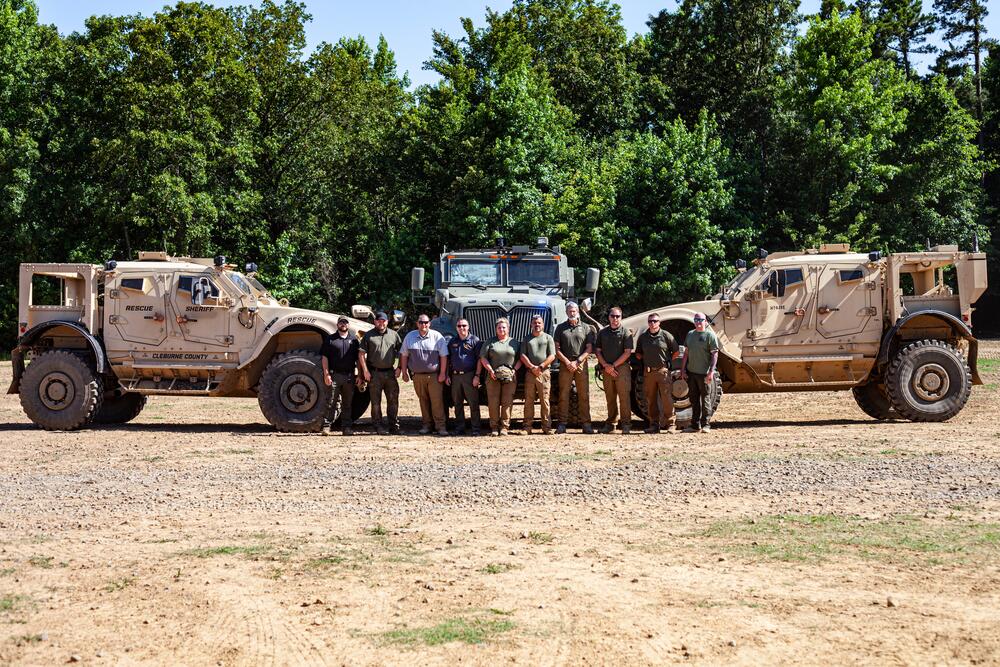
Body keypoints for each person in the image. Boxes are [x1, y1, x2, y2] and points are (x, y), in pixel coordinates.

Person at [400, 315, 449, 436]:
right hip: (417, 376)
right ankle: (427, 425)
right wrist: (404, 371)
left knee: (437, 402)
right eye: (421, 322)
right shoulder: (410, 336)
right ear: (417, 324)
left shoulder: (437, 337)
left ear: (429, 324)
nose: (424, 325)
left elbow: (444, 356)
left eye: (426, 322)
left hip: (434, 376)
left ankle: (440, 427)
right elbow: (404, 355)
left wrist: (443, 373)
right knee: (423, 401)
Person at [358, 311, 403, 435]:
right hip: (374, 374)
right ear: (375, 322)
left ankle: (393, 425)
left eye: (383, 321)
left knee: (393, 401)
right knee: (376, 402)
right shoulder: (368, 336)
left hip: (390, 373)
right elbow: (361, 354)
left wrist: (399, 368)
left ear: (387, 322)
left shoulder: (394, 335)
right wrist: (365, 371)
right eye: (378, 321)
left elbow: (403, 352)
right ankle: (378, 426)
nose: (381, 323)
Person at [554, 302, 595, 434]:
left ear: (578, 311)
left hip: (580, 363)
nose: (572, 313)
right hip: (565, 364)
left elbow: (589, 348)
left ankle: (586, 424)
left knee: (584, 395)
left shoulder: (586, 327)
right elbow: (556, 348)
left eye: (574, 311)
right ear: (566, 312)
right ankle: (562, 424)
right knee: (563, 394)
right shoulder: (560, 328)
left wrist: (577, 361)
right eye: (570, 311)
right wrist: (567, 362)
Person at [635, 312, 678, 434]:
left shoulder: (666, 335)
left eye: (655, 321)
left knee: (666, 399)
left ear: (659, 322)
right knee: (650, 399)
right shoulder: (643, 337)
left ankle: (671, 424)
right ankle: (654, 425)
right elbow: (638, 353)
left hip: (662, 372)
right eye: (650, 321)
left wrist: (667, 362)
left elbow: (675, 351)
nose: (652, 323)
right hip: (648, 373)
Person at [480, 317, 522, 436]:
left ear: (508, 329)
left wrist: (514, 370)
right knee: (493, 402)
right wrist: (490, 370)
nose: (501, 329)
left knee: (507, 402)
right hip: (492, 376)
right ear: (496, 329)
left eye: (504, 327)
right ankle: (494, 427)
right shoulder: (490, 342)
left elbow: (520, 359)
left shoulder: (514, 342)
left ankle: (504, 427)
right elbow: (483, 358)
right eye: (499, 327)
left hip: (510, 377)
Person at [595, 306, 634, 434]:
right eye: (612, 316)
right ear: (609, 317)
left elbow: (627, 352)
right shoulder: (602, 333)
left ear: (621, 317)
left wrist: (613, 366)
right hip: (606, 369)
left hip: (621, 369)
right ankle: (611, 423)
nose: (615, 319)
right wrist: (606, 365)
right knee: (610, 397)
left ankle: (626, 424)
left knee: (624, 398)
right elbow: (598, 351)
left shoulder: (626, 333)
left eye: (617, 316)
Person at [320, 316, 361, 436]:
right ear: (337, 325)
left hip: (349, 376)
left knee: (347, 404)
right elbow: (324, 357)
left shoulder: (354, 340)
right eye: (341, 322)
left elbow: (358, 359)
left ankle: (346, 427)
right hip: (335, 375)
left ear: (348, 325)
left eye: (345, 322)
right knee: (331, 402)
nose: (343, 324)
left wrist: (359, 375)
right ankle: (326, 427)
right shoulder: (330, 339)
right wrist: (326, 374)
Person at [681, 312, 720, 433]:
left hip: (704, 373)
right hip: (692, 373)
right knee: (694, 399)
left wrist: (711, 372)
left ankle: (706, 424)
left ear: (705, 321)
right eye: (696, 320)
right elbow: (686, 353)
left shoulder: (710, 335)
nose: (698, 322)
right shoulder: (690, 334)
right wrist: (682, 369)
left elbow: (715, 355)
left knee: (706, 399)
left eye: (700, 320)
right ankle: (694, 425)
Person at [520, 314, 556, 435]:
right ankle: (527, 427)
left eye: (539, 323)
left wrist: (541, 366)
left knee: (544, 400)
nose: (537, 325)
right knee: (528, 400)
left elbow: (552, 355)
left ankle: (546, 427)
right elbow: (522, 355)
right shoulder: (527, 338)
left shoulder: (548, 338)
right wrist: (531, 366)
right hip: (530, 373)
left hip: (544, 372)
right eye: (535, 323)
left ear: (543, 324)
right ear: (531, 324)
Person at [446, 318, 482, 435]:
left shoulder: (475, 341)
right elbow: (448, 360)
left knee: (473, 403)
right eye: (459, 326)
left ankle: (475, 428)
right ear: (456, 328)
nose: (462, 328)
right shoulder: (452, 341)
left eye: (464, 325)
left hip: (469, 375)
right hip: (455, 376)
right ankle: (460, 428)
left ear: (468, 327)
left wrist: (477, 376)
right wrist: (447, 375)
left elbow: (479, 360)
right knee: (457, 404)